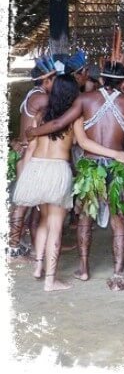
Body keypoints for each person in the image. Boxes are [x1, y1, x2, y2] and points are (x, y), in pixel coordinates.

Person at [26, 62, 124, 290]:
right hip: (115, 166)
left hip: (90, 167)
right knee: (119, 221)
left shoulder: (85, 99)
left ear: (101, 79)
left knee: (86, 218)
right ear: (122, 81)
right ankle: (118, 275)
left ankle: (84, 268)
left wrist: (33, 132)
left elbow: (59, 123)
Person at [7, 63, 56, 260]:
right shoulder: (41, 97)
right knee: (24, 202)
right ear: (46, 81)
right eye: (54, 80)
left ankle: (30, 243)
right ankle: (12, 244)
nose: (56, 84)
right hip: (29, 154)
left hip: (28, 151)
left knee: (32, 202)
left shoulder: (33, 94)